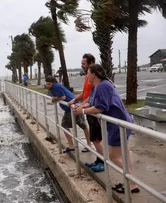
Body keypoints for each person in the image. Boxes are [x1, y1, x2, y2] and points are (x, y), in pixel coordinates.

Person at [74, 64, 140, 193]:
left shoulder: (103, 85)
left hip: (118, 124)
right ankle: (130, 183)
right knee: (125, 155)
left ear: (94, 74)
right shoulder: (97, 86)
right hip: (120, 123)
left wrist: (82, 111)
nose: (86, 74)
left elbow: (101, 107)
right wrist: (80, 106)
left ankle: (132, 184)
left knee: (113, 157)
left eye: (88, 72)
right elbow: (92, 102)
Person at [67, 53, 104, 172]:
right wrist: (77, 102)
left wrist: (82, 108)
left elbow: (93, 97)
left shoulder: (94, 79)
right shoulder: (87, 78)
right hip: (88, 109)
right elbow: (86, 94)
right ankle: (98, 161)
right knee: (95, 138)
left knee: (96, 138)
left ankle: (103, 162)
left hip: (93, 110)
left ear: (91, 64)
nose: (81, 66)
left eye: (83, 64)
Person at [45, 76, 91, 153]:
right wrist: (54, 98)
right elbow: (53, 96)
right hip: (72, 107)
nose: (47, 85)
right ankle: (85, 145)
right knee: (83, 126)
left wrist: (55, 99)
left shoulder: (56, 87)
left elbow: (63, 97)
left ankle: (74, 146)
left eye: (49, 84)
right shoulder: (52, 88)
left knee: (67, 125)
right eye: (46, 84)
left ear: (53, 83)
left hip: (72, 107)